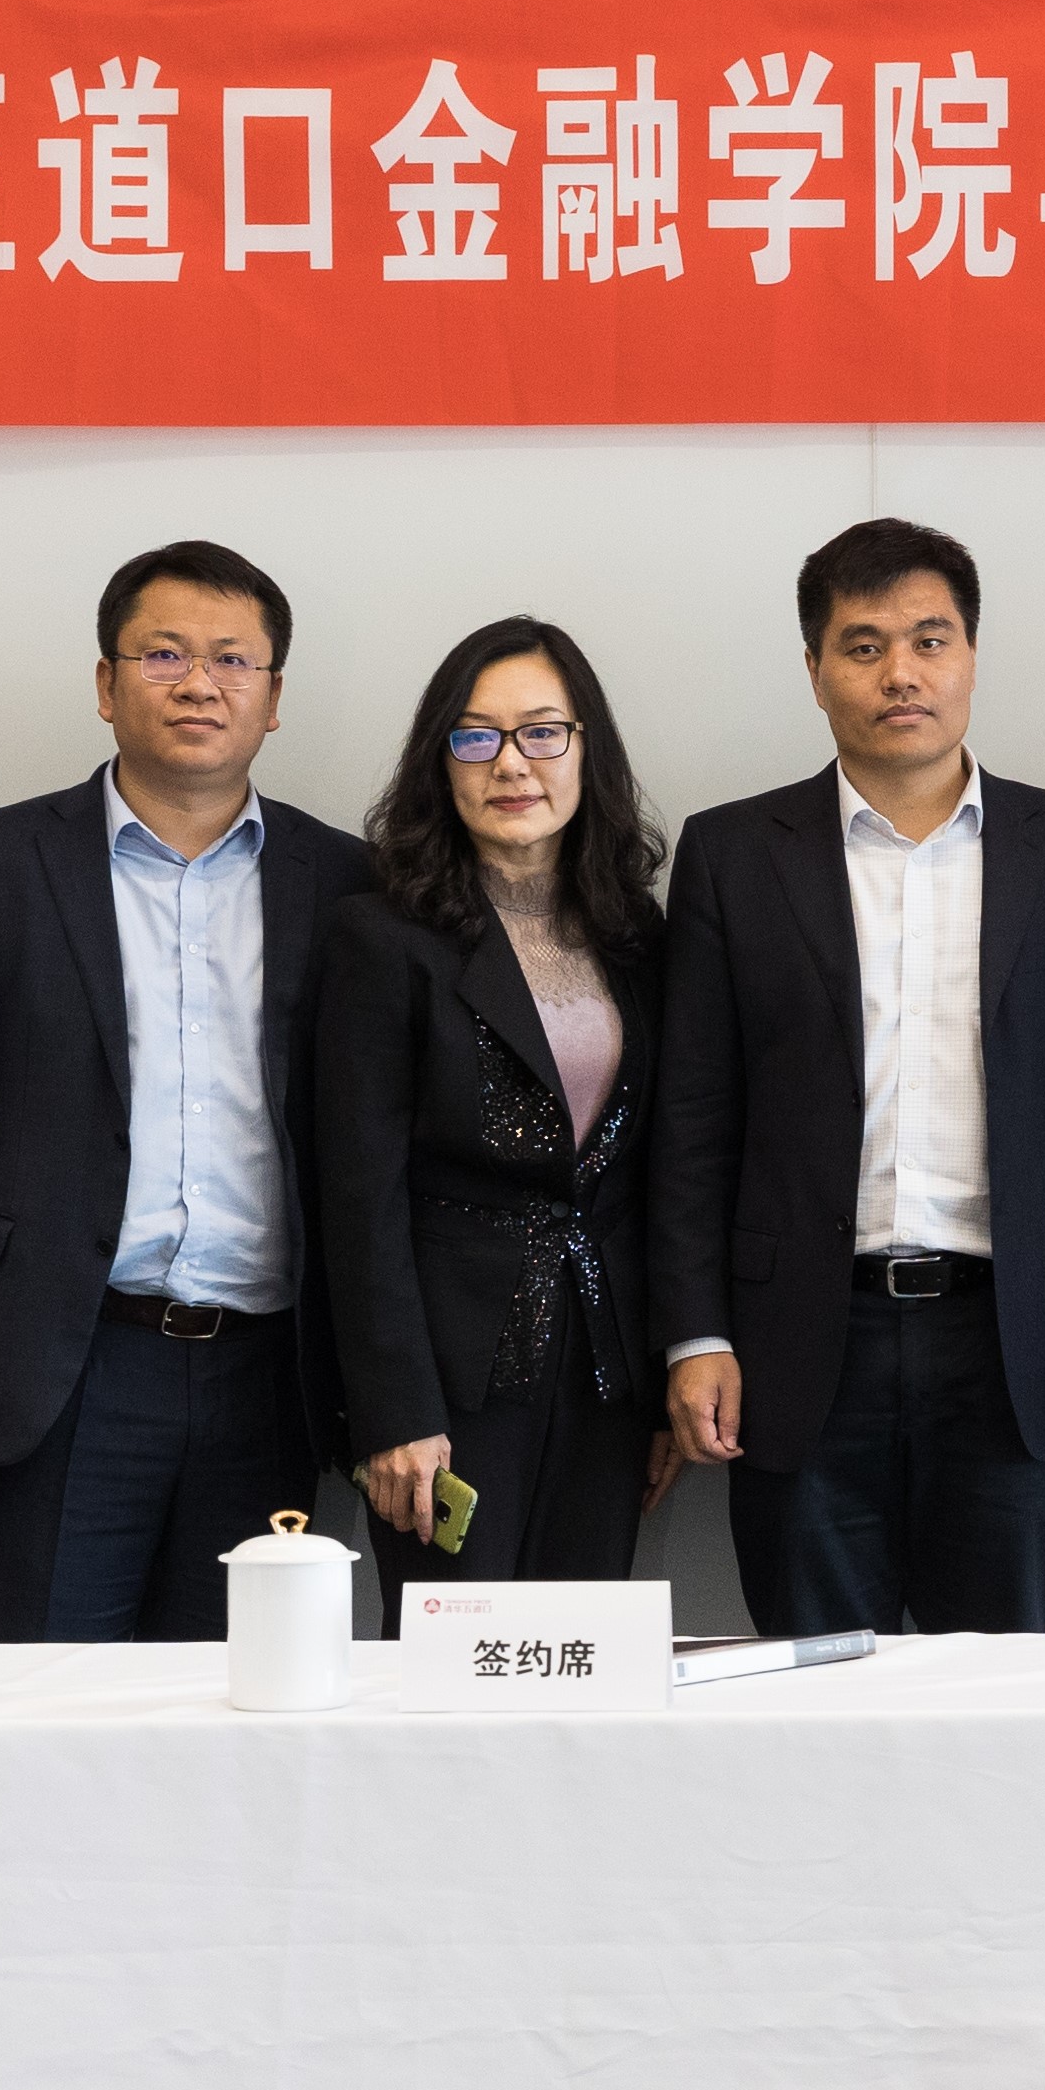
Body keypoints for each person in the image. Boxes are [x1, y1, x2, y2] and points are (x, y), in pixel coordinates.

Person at [0, 543, 373, 1641]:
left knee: (244, 1692)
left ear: (273, 698)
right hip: (66, 1358)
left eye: (233, 659)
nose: (200, 684)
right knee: (44, 1692)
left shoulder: (345, 881)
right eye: (164, 654)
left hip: (273, 1372)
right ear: (106, 683)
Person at [649, 520, 1045, 1638]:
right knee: (814, 1685)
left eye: (930, 639)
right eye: (863, 646)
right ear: (815, 669)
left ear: (972, 655)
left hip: (1014, 1341)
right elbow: (692, 1120)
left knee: (1006, 1693)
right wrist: (696, 1333)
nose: (901, 673)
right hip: (799, 1343)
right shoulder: (733, 853)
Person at [315, 616, 681, 1597]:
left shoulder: (636, 934)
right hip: (449, 1381)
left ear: (587, 748)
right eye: (475, 736)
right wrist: (394, 1409)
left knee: (583, 1649)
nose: (510, 762)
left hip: (605, 1371)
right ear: (440, 762)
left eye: (542, 732)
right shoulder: (381, 937)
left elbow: (654, 1174)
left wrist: (661, 1385)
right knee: (451, 1655)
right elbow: (358, 1197)